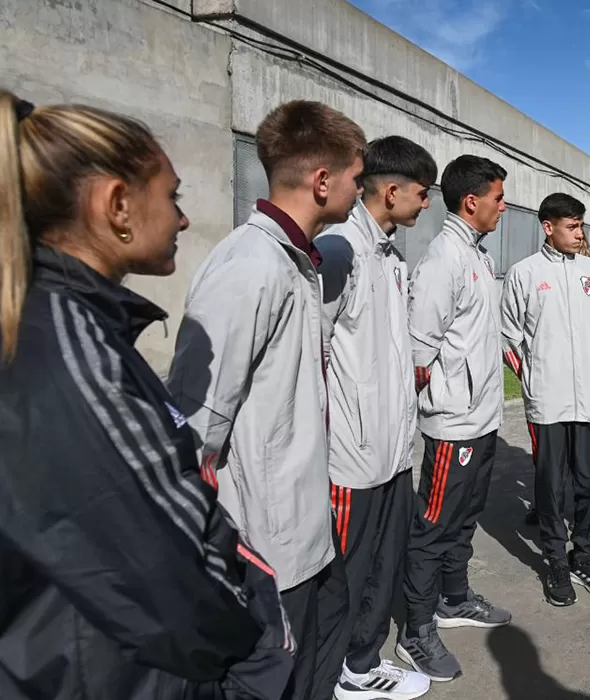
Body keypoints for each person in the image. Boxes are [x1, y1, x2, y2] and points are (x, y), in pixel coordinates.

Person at [0, 93, 293, 699]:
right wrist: (261, 655)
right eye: (173, 196)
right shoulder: (70, 347)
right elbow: (169, 558)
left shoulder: (61, 323)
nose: (183, 219)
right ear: (117, 206)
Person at [168, 100, 365, 700]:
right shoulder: (250, 266)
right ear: (322, 180)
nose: (361, 192)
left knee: (317, 669)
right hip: (265, 545)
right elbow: (195, 422)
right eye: (357, 179)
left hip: (304, 530)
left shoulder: (296, 263)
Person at [315, 136, 435, 700]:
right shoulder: (339, 250)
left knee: (382, 568)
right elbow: (307, 346)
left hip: (392, 453)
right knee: (344, 576)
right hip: (352, 457)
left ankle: (360, 669)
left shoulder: (390, 254)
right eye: (421, 193)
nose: (425, 204)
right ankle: (331, 673)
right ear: (391, 191)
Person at [397, 154, 511, 683]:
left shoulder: (478, 256)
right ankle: (416, 630)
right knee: (433, 527)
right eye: (498, 198)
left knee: (463, 519)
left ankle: (455, 599)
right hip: (452, 427)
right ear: (472, 201)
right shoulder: (443, 259)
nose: (503, 207)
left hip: (482, 417)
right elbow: (419, 355)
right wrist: (438, 405)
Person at [501, 193, 590, 607]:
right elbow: (510, 335)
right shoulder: (524, 273)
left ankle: (582, 553)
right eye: (572, 226)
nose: (579, 233)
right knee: (551, 486)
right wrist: (533, 378)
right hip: (547, 401)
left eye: (581, 225)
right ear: (548, 227)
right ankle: (555, 560)